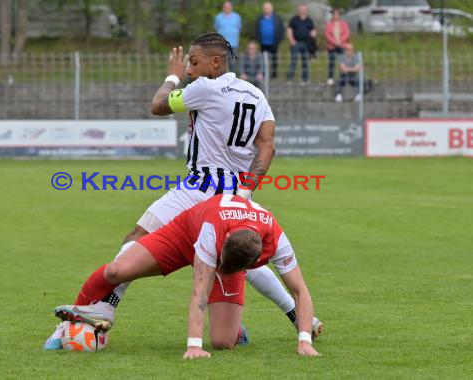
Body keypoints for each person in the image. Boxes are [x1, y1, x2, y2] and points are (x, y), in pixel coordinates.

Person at [43, 32, 322, 349]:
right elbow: (267, 146)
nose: (190, 69)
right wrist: (244, 194)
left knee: (138, 237)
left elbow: (157, 106)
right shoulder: (256, 95)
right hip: (233, 196)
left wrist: (172, 76)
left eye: (194, 62)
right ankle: (298, 316)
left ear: (215, 62)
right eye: (187, 64)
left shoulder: (205, 88)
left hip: (199, 189)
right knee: (238, 257)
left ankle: (105, 308)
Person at [52, 194, 322, 358]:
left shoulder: (277, 239)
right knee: (117, 270)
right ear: (225, 240)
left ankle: (232, 325)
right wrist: (193, 345)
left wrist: (304, 341)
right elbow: (199, 292)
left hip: (227, 239)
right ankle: (80, 318)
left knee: (222, 342)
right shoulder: (213, 230)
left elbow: (300, 290)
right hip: (182, 234)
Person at [286, 4, 316, 84]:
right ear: (298, 10)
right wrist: (292, 40)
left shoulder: (309, 20)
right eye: (301, 9)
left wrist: (312, 37)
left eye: (304, 9)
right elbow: (289, 30)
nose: (302, 11)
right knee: (293, 61)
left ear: (306, 10)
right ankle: (290, 78)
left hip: (307, 44)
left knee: (305, 61)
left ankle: (305, 79)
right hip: (296, 43)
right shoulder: (294, 19)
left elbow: (313, 30)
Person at [255, 2, 285, 78]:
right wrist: (258, 39)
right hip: (263, 43)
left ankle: (274, 75)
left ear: (272, 9)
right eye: (265, 8)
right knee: (263, 60)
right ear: (263, 9)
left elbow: (282, 30)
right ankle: (264, 74)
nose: (267, 9)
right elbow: (256, 30)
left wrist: (279, 40)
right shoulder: (259, 19)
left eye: (268, 8)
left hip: (274, 42)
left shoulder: (277, 18)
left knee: (274, 59)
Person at [214, 1, 242, 72]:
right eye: (225, 7)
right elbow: (216, 28)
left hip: (234, 44)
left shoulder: (237, 17)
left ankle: (232, 80)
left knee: (233, 64)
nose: (227, 8)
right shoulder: (218, 17)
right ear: (223, 8)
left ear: (231, 7)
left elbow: (239, 28)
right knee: (222, 62)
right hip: (222, 45)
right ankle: (222, 79)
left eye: (228, 7)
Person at [325, 8, 350, 86]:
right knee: (331, 62)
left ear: (339, 15)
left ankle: (344, 78)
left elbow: (347, 33)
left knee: (343, 61)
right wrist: (334, 41)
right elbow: (327, 34)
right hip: (331, 46)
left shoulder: (344, 23)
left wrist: (340, 41)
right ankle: (330, 78)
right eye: (334, 14)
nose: (336, 15)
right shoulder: (329, 24)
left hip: (341, 45)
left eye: (337, 14)